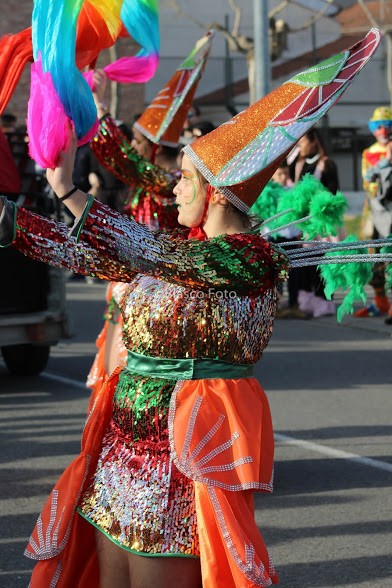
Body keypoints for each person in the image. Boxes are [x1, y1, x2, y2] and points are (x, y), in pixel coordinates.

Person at [0, 29, 386, 588]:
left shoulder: (249, 262)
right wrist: (15, 223)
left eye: (184, 179)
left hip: (182, 463)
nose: (172, 188)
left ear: (220, 193)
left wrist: (74, 196)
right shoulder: (185, 252)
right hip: (119, 453)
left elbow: (144, 248)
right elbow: (93, 253)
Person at [86, 31, 214, 409]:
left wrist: (101, 112)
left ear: (155, 147)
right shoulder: (146, 182)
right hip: (129, 281)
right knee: (112, 370)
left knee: (141, 379)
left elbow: (126, 162)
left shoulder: (171, 182)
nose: (135, 143)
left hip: (161, 289)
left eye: (140, 139)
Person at [288, 127, 339, 317]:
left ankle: (324, 301)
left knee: (322, 264)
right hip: (303, 223)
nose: (300, 146)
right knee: (305, 265)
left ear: (314, 141)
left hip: (321, 223)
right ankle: (306, 301)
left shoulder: (326, 164)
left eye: (303, 142)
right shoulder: (298, 163)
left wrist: (318, 199)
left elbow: (334, 194)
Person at [354, 106, 392, 320]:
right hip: (374, 210)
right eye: (378, 126)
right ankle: (380, 301)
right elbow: (366, 180)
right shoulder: (369, 153)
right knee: (373, 253)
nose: (383, 131)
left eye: (387, 126)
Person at [266, 160, 308, 319]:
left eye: (285, 174)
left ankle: (293, 304)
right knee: (276, 274)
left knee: (295, 273)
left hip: (292, 238)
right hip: (276, 238)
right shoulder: (269, 193)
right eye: (279, 174)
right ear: (273, 176)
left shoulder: (292, 191)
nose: (283, 177)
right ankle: (275, 304)